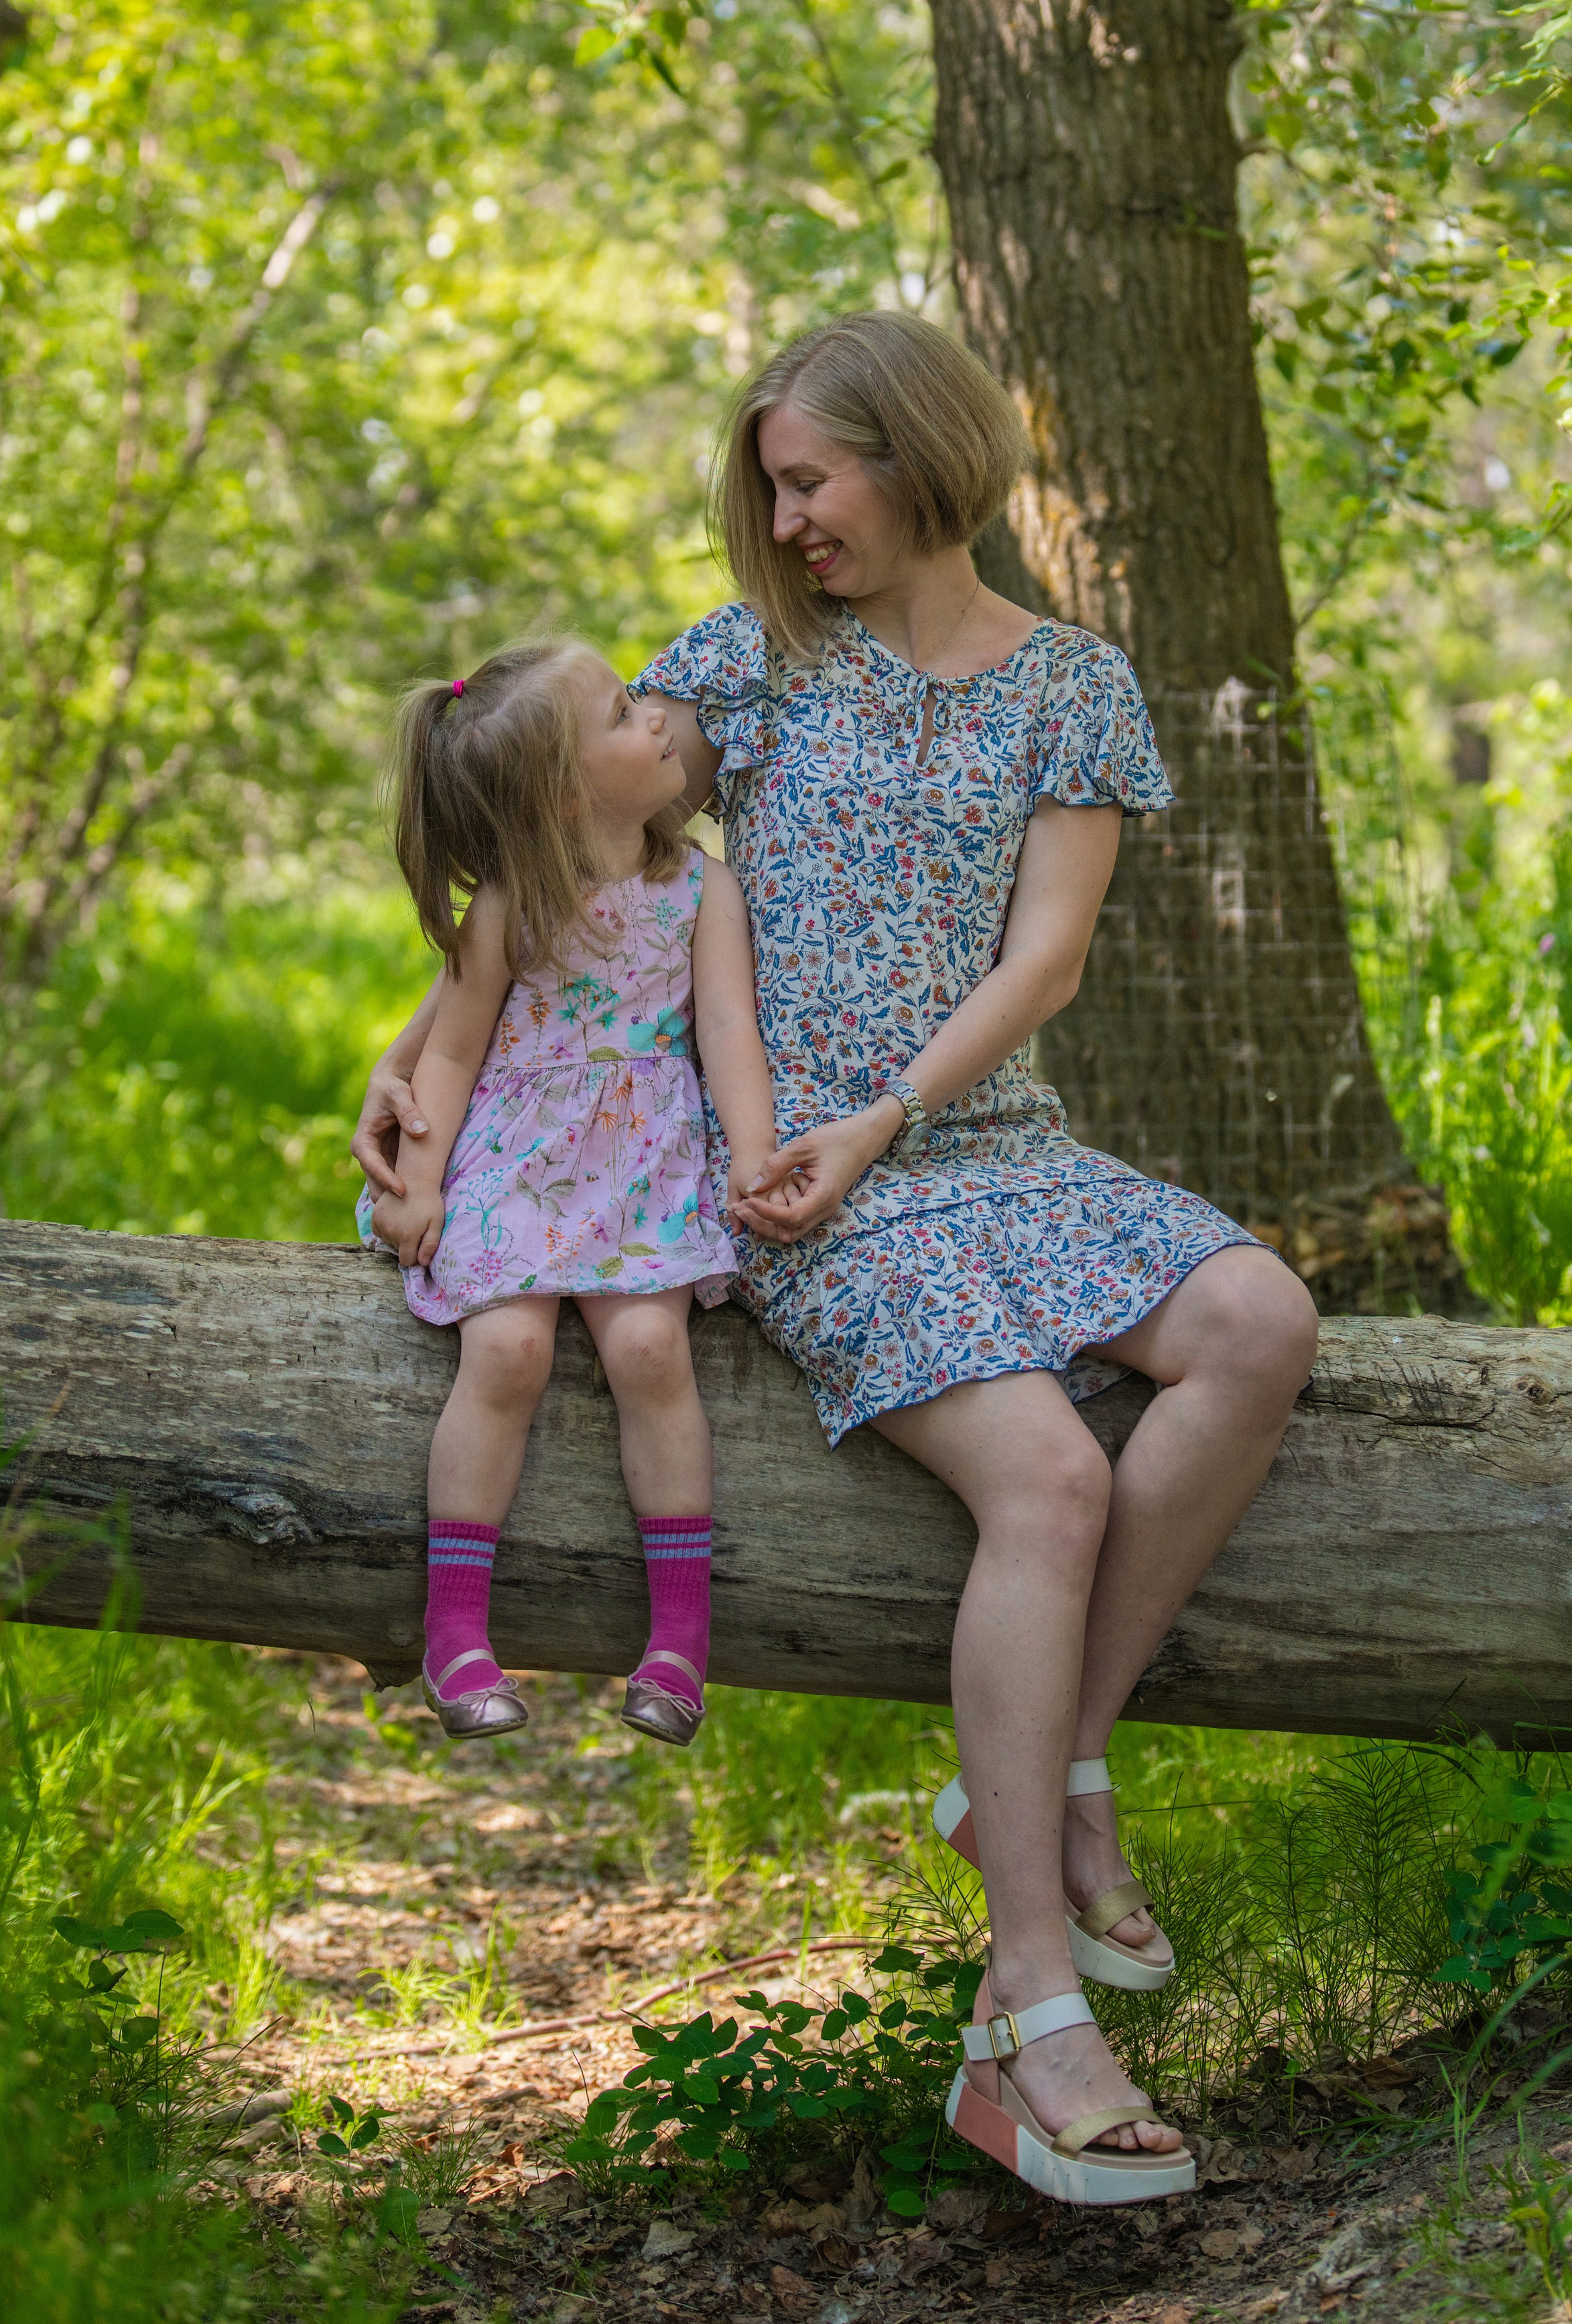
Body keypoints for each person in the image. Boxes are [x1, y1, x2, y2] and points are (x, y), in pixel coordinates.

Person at [355, 314, 1319, 2203]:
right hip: (800, 1185)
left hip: (987, 1143)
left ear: (922, 454)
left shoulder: (1075, 683)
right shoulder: (750, 667)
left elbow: (1043, 962)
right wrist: (415, 1059)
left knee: (1262, 1319)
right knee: (1045, 1474)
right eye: (775, 487)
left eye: (814, 479)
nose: (784, 521)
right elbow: (563, 831)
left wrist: (902, 1106)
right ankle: (1036, 2003)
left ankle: (1039, 1774)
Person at [359, 639, 777, 1750]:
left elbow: (729, 1029)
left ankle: (680, 1637)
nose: (658, 724)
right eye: (628, 713)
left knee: (650, 1351)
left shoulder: (701, 888)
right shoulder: (510, 904)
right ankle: (456, 1632)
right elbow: (448, 1057)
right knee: (508, 1354)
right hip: (516, 1164)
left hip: (645, 1172)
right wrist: (419, 1184)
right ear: (565, 787)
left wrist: (751, 1155)